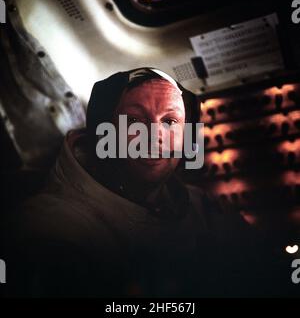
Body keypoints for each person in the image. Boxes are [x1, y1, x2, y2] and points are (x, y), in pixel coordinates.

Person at [3, 68, 286, 297]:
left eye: (170, 121)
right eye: (134, 119)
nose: (154, 136)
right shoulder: (49, 233)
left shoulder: (196, 203)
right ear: (103, 133)